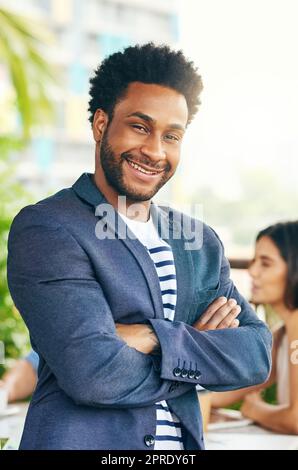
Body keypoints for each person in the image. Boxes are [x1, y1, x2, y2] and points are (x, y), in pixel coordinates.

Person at [7, 43, 272, 450]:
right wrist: (196, 350)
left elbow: (255, 355)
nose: (155, 151)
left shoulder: (199, 242)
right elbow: (92, 373)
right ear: (100, 124)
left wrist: (151, 335)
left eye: (172, 136)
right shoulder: (49, 227)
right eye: (140, 126)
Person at [211, 221, 298, 435]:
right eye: (254, 261)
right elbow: (225, 393)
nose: (253, 271)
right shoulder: (283, 334)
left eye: (265, 263)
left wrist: (257, 410)